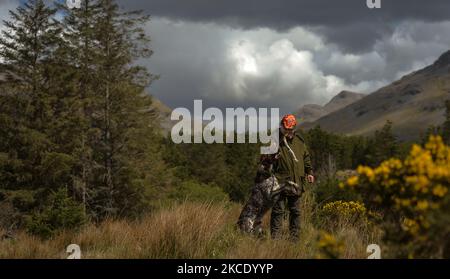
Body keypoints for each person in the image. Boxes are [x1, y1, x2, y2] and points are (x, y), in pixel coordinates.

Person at [270, 114, 314, 241]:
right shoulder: (274, 140)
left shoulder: (299, 142)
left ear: (294, 128)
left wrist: (309, 172)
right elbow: (265, 161)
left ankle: (294, 241)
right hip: (280, 183)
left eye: (290, 129)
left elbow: (305, 158)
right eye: (285, 129)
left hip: (296, 182)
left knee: (295, 212)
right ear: (282, 127)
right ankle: (275, 242)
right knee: (278, 211)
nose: (287, 132)